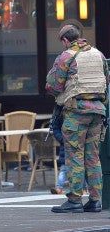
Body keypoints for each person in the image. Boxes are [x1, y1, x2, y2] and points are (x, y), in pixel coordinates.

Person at [46, 24, 108, 213]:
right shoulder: (99, 55)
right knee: (93, 156)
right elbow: (106, 80)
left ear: (65, 40)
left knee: (75, 155)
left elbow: (54, 87)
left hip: (76, 112)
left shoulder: (66, 56)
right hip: (98, 111)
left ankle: (74, 200)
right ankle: (95, 200)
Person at [49, 106, 88, 195]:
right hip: (66, 145)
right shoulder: (59, 110)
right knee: (64, 169)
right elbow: (55, 128)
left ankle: (83, 188)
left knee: (81, 168)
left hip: (78, 143)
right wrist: (63, 139)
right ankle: (59, 188)